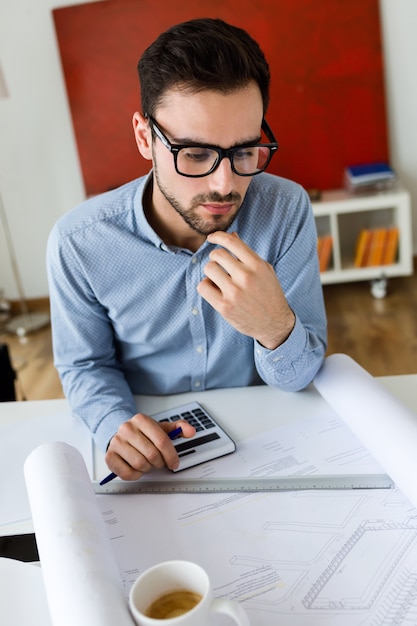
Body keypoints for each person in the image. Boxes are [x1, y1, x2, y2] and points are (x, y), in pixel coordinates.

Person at [47, 17, 327, 481]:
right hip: (151, 454)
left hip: (266, 443)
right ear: (144, 138)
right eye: (194, 153)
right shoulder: (78, 243)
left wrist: (274, 327)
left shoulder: (286, 209)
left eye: (245, 150)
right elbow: (85, 365)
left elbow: (300, 376)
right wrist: (114, 425)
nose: (226, 184)